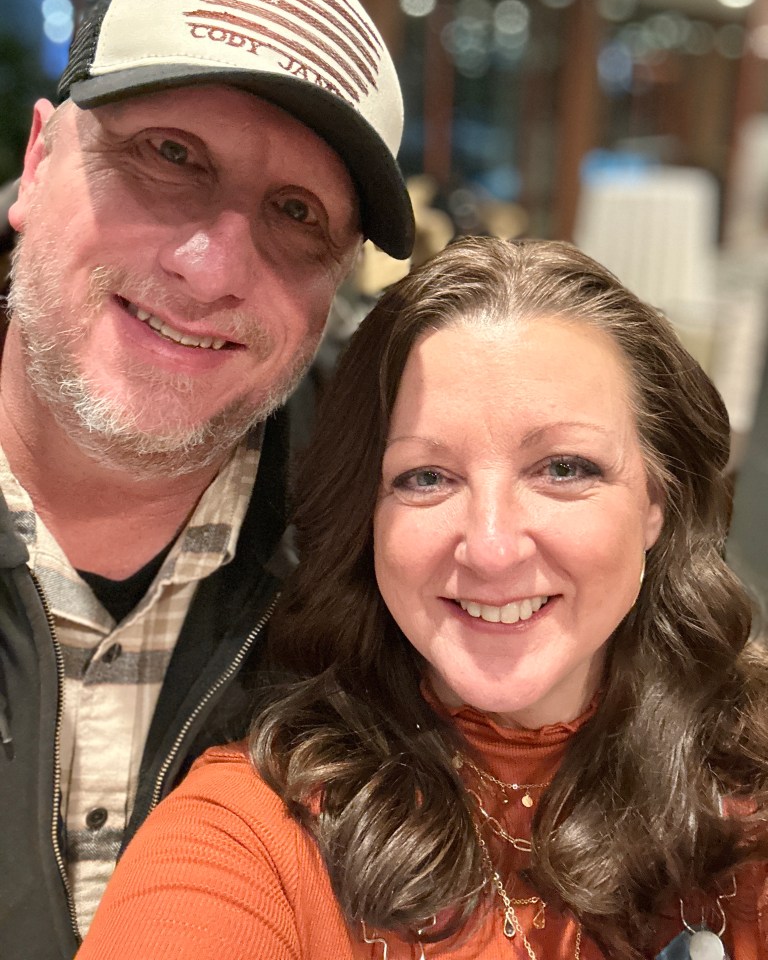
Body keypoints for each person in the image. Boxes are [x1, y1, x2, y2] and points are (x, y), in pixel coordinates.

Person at [78, 237, 768, 959]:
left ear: (658, 500)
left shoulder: (748, 800)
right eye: (425, 477)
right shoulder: (251, 838)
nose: (493, 547)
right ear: (366, 516)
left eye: (564, 468)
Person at [0, 0, 414, 955]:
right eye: (170, 155)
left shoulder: (394, 568)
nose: (211, 267)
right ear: (38, 160)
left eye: (296, 213)